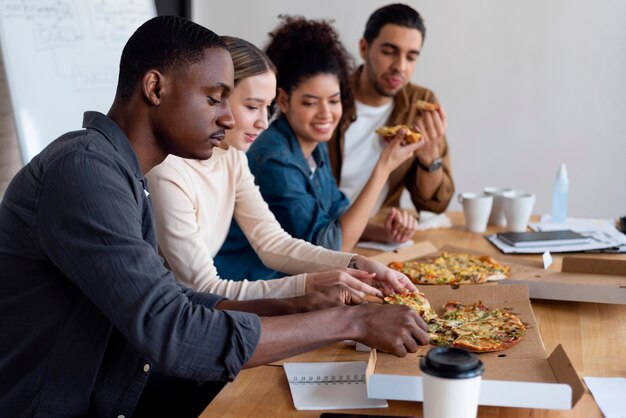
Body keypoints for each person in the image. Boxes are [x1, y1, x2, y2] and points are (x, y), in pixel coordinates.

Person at [0, 16, 430, 418]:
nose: (228, 117)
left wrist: (295, 305)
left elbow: (174, 299)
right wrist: (351, 321)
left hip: (118, 384)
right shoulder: (84, 174)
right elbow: (173, 331)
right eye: (214, 99)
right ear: (155, 88)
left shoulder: (123, 173)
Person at [147, 36, 414, 298]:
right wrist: (313, 284)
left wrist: (357, 264)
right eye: (252, 107)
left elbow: (272, 243)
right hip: (171, 316)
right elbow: (203, 288)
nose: (264, 122)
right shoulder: (169, 172)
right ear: (216, 99)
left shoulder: (231, 156)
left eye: (268, 107)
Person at [214, 16, 423, 280]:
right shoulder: (274, 156)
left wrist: (386, 234)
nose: (326, 114)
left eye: (334, 101)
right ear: (284, 100)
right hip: (251, 282)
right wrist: (383, 168)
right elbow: (333, 245)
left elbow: (337, 213)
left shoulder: (312, 144)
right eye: (311, 103)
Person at [328, 3, 455, 228]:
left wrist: (430, 158)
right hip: (324, 233)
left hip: (380, 234)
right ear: (364, 48)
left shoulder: (420, 104)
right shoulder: (329, 97)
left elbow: (433, 205)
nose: (400, 66)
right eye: (389, 52)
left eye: (411, 57)